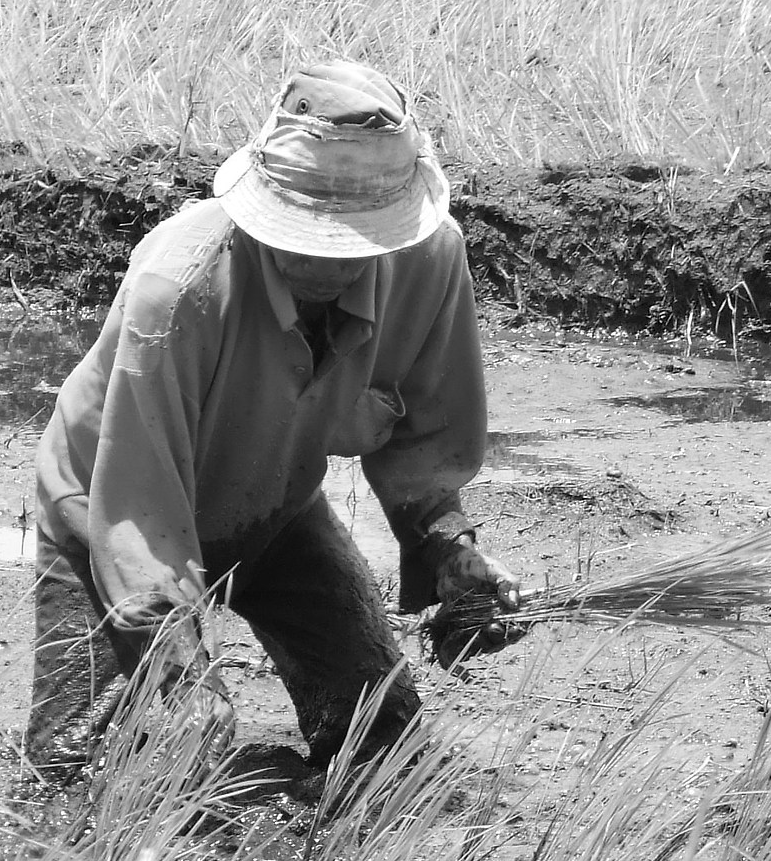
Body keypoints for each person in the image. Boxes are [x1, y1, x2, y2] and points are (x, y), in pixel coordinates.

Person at [27, 60, 519, 787]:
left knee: (382, 745)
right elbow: (138, 494)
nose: (326, 261)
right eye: (305, 236)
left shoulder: (430, 259)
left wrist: (447, 545)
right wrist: (178, 664)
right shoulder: (179, 288)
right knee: (79, 770)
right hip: (110, 513)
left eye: (353, 241)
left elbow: (428, 434)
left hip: (275, 503)